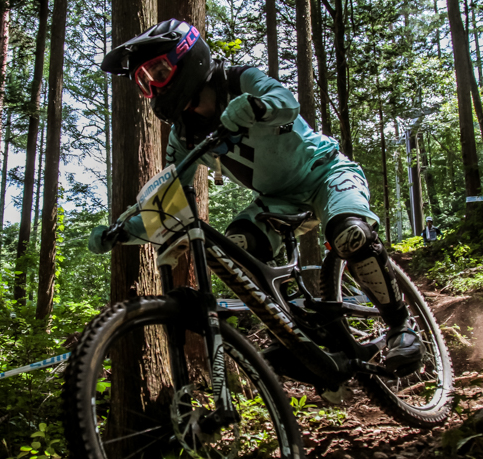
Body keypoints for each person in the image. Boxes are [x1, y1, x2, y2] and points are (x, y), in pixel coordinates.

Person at [88, 19, 421, 376]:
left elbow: (286, 102)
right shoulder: (182, 137)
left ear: (188, 57)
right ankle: (299, 333)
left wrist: (254, 106)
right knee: (238, 247)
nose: (154, 85)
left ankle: (401, 326)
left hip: (326, 172)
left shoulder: (238, 79)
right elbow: (168, 205)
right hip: (278, 199)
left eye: (158, 71)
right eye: (144, 81)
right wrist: (124, 231)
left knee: (349, 234)